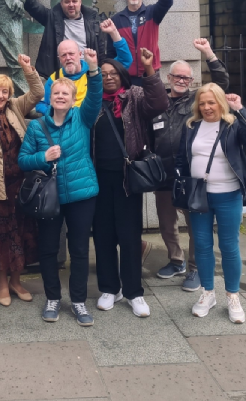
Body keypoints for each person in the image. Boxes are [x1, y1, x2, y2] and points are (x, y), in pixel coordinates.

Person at [18, 48, 102, 326]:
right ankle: (52, 297)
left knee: (79, 249)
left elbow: (95, 97)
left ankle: (78, 301)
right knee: (48, 249)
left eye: (66, 93)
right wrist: (43, 157)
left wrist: (93, 69)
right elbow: (23, 161)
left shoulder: (82, 117)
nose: (61, 97)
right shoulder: (36, 126)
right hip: (49, 198)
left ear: (72, 97)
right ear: (50, 98)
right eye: (56, 93)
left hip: (80, 195)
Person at [175, 85, 246, 323]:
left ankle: (232, 296)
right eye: (202, 103)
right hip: (199, 196)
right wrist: (181, 188)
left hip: (228, 194)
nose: (206, 107)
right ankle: (207, 293)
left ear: (220, 103)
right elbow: (183, 158)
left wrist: (240, 108)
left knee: (228, 246)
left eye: (211, 102)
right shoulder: (191, 126)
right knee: (202, 245)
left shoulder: (233, 124)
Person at [92, 47, 168, 316]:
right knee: (103, 237)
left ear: (122, 76)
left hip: (127, 179)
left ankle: (134, 292)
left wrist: (149, 70)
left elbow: (159, 104)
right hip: (98, 180)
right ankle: (109, 288)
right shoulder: (92, 101)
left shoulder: (134, 96)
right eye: (103, 74)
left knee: (129, 236)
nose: (109, 77)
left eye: (113, 73)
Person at [151, 38, 229, 291]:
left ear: (192, 81)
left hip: (190, 174)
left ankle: (195, 268)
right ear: (169, 77)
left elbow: (222, 83)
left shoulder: (197, 100)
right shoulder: (159, 102)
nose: (182, 81)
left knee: (195, 223)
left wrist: (208, 52)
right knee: (166, 222)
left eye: (186, 78)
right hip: (163, 174)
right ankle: (176, 260)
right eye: (178, 76)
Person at [0, 53, 44, 306]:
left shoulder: (16, 107)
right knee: (1, 237)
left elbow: (37, 93)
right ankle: (3, 283)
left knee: (23, 233)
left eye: (5, 91)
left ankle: (17, 281)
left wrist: (27, 69)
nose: (1, 95)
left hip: (22, 184)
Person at [35, 19, 131, 114]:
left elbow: (125, 60)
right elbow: (41, 104)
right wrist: (56, 113)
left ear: (80, 54)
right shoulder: (54, 78)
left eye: (71, 54)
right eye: (64, 55)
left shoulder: (95, 73)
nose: (68, 58)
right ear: (59, 58)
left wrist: (114, 32)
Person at [24, 0, 108, 79]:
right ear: (61, 3)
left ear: (80, 2)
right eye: (67, 2)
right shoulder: (52, 18)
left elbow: (101, 50)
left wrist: (101, 73)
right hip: (59, 76)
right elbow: (33, 6)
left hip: (87, 76)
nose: (71, 5)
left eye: (74, 1)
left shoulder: (93, 21)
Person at [108, 0, 173, 84]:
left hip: (150, 72)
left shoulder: (152, 12)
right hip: (126, 75)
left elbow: (167, 1)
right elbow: (111, 51)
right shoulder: (116, 20)